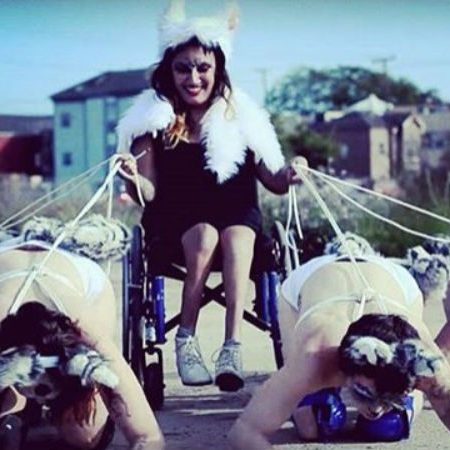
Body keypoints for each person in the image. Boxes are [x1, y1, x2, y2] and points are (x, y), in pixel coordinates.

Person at [116, 0, 305, 392]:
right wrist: (133, 177)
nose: (193, 77)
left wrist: (292, 171)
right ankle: (186, 339)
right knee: (204, 235)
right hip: (175, 224)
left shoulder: (242, 117)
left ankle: (231, 346)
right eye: (183, 68)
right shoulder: (153, 123)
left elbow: (273, 178)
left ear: (218, 70)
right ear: (169, 71)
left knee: (237, 236)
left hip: (238, 217)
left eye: (203, 67)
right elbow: (146, 193)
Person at [228, 234, 450, 449]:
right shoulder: (315, 355)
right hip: (313, 278)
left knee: (388, 425)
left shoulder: (423, 360)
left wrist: (398, 397)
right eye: (369, 393)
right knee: (311, 425)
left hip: (395, 281)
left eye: (389, 398)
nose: (377, 409)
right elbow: (245, 431)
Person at [0, 216, 164, 450]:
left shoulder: (84, 325)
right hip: (10, 263)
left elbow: (149, 436)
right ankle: (16, 407)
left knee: (84, 436)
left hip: (71, 272)